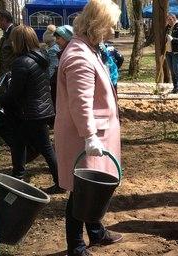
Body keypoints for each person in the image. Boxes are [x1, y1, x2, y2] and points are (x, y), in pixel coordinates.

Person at [54, 0, 123, 254]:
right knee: (82, 191)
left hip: (97, 133)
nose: (113, 31)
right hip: (86, 136)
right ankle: (76, 245)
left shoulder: (87, 49)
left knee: (93, 187)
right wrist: (90, 136)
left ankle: (96, 232)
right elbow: (81, 103)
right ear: (98, 25)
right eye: (111, 26)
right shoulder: (79, 56)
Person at [0, 25, 62, 194]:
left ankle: (18, 178)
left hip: (29, 112)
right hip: (43, 109)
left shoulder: (21, 62)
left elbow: (14, 93)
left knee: (22, 145)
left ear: (17, 42)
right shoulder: (42, 56)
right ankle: (56, 181)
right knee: (42, 147)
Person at [165, 14, 178, 95]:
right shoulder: (168, 27)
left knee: (177, 70)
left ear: (174, 19)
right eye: (167, 19)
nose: (168, 21)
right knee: (172, 71)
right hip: (168, 52)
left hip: (177, 52)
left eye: (170, 19)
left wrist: (173, 39)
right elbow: (164, 37)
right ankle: (175, 88)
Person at [0, 10, 16, 77]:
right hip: (5, 74)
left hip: (11, 75)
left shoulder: (14, 33)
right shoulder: (7, 33)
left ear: (4, 20)